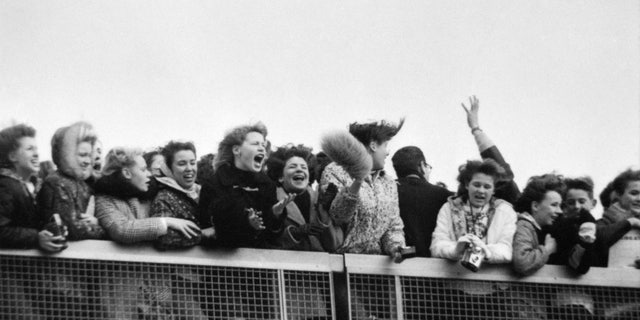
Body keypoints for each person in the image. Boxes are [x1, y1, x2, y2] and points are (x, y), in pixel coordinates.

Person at [320, 119, 406, 258]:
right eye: (385, 146)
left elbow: (393, 226)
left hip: (376, 267)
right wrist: (358, 180)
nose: (387, 153)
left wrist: (396, 248)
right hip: (341, 263)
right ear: (373, 145)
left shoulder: (388, 183)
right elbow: (338, 216)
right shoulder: (335, 171)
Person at [198, 122, 293, 249]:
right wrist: (246, 224)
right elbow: (207, 230)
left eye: (263, 145)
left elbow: (272, 236)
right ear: (237, 150)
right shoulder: (215, 183)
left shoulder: (267, 184)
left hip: (260, 263)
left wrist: (275, 215)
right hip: (223, 262)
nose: (262, 149)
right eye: (255, 144)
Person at [95, 147, 200, 244]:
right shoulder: (104, 200)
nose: (149, 174)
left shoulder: (151, 193)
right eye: (143, 170)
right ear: (127, 173)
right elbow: (122, 230)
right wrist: (167, 221)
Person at [0, 124, 65, 252]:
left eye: (36, 149)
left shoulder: (34, 186)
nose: (36, 154)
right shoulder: (5, 187)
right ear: (12, 156)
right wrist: (36, 237)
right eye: (30, 149)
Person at [37, 121, 106, 240]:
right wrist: (104, 230)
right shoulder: (57, 182)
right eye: (82, 155)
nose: (88, 161)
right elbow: (71, 228)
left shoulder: (80, 182)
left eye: (89, 155)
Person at [266, 144, 341, 252]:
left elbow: (333, 245)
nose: (299, 170)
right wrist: (294, 233)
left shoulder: (319, 198)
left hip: (321, 265)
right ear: (281, 177)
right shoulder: (272, 199)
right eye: (292, 167)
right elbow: (269, 241)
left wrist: (324, 213)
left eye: (303, 167)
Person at [151, 140, 215, 249]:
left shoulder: (206, 192)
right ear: (169, 168)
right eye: (182, 164)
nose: (189, 169)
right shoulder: (164, 197)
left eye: (192, 163)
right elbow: (163, 237)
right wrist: (203, 235)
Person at [392, 146, 451, 258]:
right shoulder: (444, 195)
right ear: (422, 166)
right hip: (436, 265)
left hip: (396, 263)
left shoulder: (387, 190)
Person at [512, 174, 565, 275]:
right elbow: (522, 262)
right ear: (535, 206)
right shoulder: (524, 226)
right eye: (554, 205)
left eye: (560, 206)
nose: (560, 211)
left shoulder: (536, 227)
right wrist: (548, 249)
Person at [595, 169, 640, 267]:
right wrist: (630, 222)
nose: (639, 199)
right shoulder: (604, 223)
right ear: (619, 195)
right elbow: (598, 240)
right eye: (634, 193)